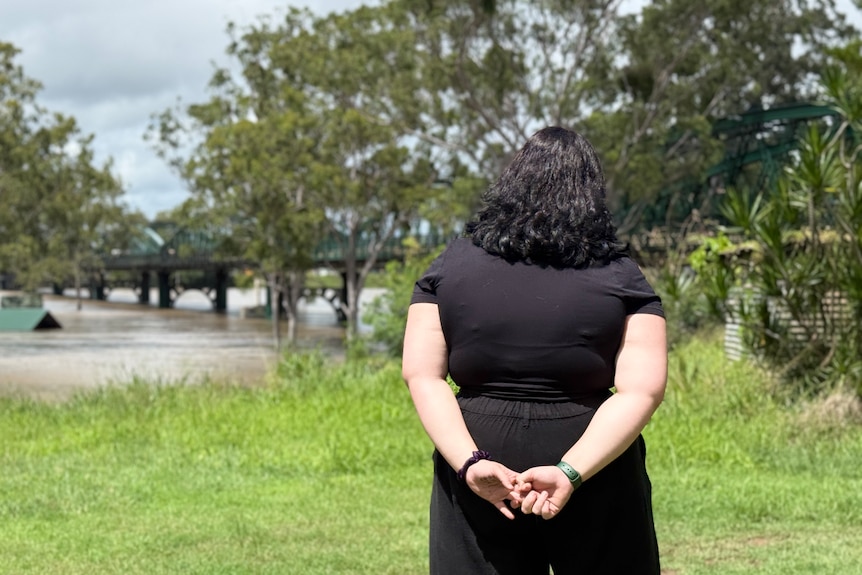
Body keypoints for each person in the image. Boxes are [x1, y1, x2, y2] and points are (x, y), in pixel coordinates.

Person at [401, 126, 668, 574]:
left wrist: (470, 465)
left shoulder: (448, 266)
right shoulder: (622, 276)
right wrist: (569, 472)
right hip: (595, 467)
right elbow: (642, 391)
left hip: (479, 452)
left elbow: (422, 375)